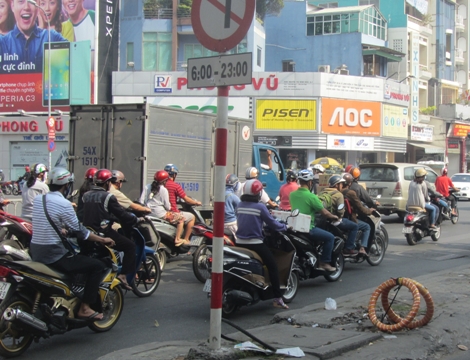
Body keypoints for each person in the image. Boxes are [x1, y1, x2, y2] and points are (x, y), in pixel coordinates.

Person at [30, 167, 115, 320]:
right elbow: (81, 232)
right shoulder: (64, 204)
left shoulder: (38, 200)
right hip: (54, 254)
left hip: (35, 250)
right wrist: (103, 240)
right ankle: (85, 308)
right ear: (67, 185)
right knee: (97, 266)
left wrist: (62, 230)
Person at [236, 179, 289, 309]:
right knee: (272, 266)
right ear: (259, 194)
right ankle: (277, 298)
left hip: (239, 242)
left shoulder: (239, 205)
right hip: (255, 243)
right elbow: (272, 223)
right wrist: (285, 227)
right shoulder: (260, 207)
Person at [82, 169, 138, 290]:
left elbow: (80, 215)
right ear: (107, 182)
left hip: (87, 233)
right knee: (130, 246)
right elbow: (121, 214)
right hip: (104, 233)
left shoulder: (85, 195)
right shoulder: (108, 197)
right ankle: (123, 275)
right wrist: (135, 220)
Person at [289, 169, 338, 271]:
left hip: (294, 228)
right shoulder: (311, 197)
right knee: (330, 237)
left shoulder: (292, 195)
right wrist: (334, 217)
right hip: (308, 228)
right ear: (310, 182)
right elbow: (324, 212)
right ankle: (324, 262)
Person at [0, 0, 67, 74]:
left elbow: (76, 62)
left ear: (38, 7)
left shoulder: (52, 38)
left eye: (31, 1)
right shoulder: (2, 43)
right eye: (21, 1)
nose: (26, 7)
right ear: (12, 6)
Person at [139, 170, 185, 246]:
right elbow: (167, 206)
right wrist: (171, 209)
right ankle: (177, 239)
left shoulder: (147, 186)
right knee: (181, 218)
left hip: (148, 213)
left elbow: (141, 201)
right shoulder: (163, 190)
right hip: (160, 214)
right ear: (165, 180)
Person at [319, 175, 358, 256]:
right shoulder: (338, 194)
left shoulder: (322, 192)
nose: (342, 185)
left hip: (323, 220)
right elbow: (340, 211)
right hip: (335, 221)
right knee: (355, 227)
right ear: (336, 185)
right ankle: (349, 248)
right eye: (341, 184)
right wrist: (340, 214)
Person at [163, 164, 202, 244]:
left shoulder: (160, 185)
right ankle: (186, 239)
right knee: (191, 217)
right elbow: (186, 199)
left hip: (162, 211)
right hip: (172, 212)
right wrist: (196, 202)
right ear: (174, 174)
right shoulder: (175, 186)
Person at [342, 173, 373, 256]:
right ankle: (362, 248)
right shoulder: (351, 193)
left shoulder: (337, 192)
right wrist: (369, 211)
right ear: (350, 183)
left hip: (339, 218)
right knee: (367, 227)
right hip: (348, 219)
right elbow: (360, 207)